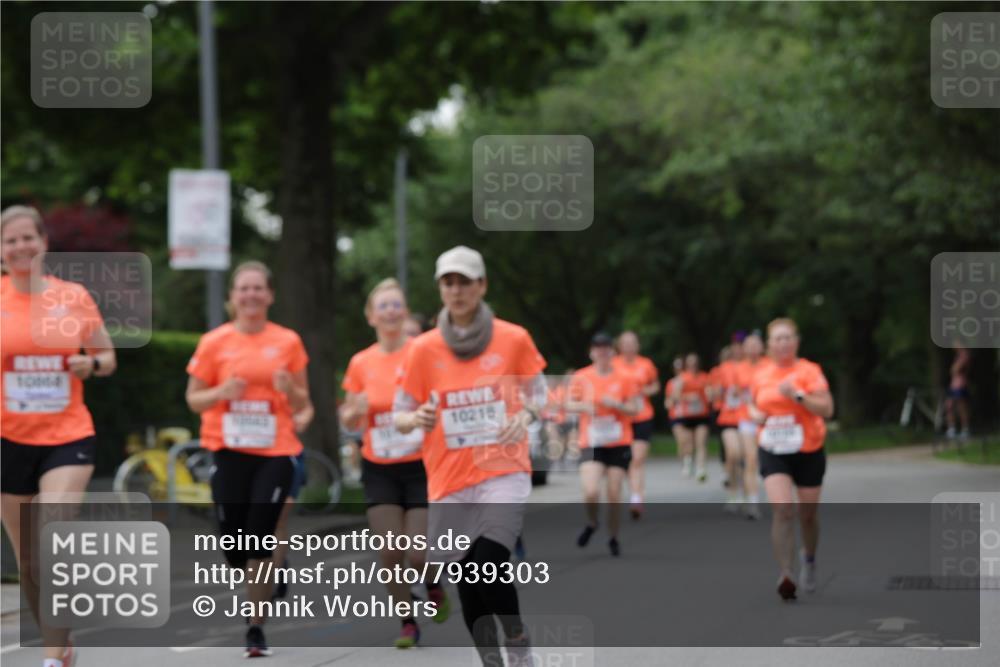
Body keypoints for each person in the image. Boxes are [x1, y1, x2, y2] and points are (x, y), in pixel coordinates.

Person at [394, 246, 546, 667]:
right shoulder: (422, 349)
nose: (456, 290)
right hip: (448, 479)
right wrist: (415, 417)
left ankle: (517, 641)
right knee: (465, 578)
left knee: (489, 560)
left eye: (464, 281)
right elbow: (399, 414)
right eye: (448, 282)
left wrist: (527, 415)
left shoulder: (512, 338)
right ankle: (491, 659)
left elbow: (541, 393)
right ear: (440, 289)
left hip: (502, 470)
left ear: (482, 286)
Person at [1, 205, 117, 667]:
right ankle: (62, 646)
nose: (21, 247)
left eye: (28, 237)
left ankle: (51, 658)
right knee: (28, 563)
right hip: (9, 439)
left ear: (44, 243)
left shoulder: (72, 297)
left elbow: (107, 356)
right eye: (10, 240)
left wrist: (91, 364)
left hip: (67, 435)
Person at [185, 260, 311, 657]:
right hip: (227, 448)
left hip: (276, 451)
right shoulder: (214, 342)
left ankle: (255, 626)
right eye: (244, 288)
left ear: (270, 295)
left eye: (259, 288)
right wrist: (222, 391)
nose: (252, 294)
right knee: (233, 545)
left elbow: (303, 402)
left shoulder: (288, 341)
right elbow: (193, 398)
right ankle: (276, 566)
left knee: (259, 533)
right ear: (231, 298)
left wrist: (289, 387)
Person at [339, 278, 449, 649]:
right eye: (382, 306)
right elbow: (349, 419)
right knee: (390, 551)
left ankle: (432, 582)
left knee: (417, 552)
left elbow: (444, 395)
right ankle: (407, 622)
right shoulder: (360, 362)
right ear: (370, 317)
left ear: (405, 313)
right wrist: (354, 411)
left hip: (421, 462)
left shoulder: (423, 352)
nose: (389, 311)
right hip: (379, 463)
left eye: (395, 305)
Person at [749, 318, 834, 601]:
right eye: (777, 338)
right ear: (770, 345)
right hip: (773, 448)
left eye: (788, 338)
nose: (783, 343)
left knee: (807, 515)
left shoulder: (809, 371)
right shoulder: (760, 373)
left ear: (796, 342)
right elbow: (752, 404)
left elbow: (827, 408)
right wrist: (754, 414)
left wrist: (797, 395)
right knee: (783, 509)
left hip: (808, 447)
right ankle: (786, 573)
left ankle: (808, 558)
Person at [569, 333, 641, 555]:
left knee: (613, 492)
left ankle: (613, 536)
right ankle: (592, 523)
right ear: (592, 352)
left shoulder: (626, 377)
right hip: (591, 441)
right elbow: (568, 403)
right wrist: (585, 407)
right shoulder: (581, 376)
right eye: (598, 348)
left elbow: (635, 408)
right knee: (590, 490)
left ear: (612, 352)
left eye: (606, 348)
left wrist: (617, 405)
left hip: (618, 441)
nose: (602, 352)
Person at [612, 331, 659, 520]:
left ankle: (636, 498)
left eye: (633, 342)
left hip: (642, 416)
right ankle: (633, 492)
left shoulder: (645, 364)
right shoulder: (614, 364)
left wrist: (645, 390)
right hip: (620, 420)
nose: (629, 346)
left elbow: (655, 385)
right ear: (620, 346)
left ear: (637, 345)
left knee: (637, 459)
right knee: (625, 462)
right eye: (626, 343)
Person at [734, 333, 768, 519]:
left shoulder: (769, 365)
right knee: (751, 459)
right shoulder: (739, 368)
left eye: (756, 344)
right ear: (744, 348)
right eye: (749, 345)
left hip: (768, 419)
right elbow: (740, 395)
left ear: (762, 347)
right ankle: (753, 503)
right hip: (746, 418)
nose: (753, 348)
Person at [671, 353, 712, 482]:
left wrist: (709, 394)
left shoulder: (705, 377)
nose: (693, 365)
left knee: (701, 442)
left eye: (695, 363)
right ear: (686, 364)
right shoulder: (682, 378)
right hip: (687, 415)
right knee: (687, 443)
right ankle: (688, 461)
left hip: (701, 414)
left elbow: (710, 395)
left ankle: (701, 469)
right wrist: (688, 397)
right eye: (690, 363)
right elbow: (675, 397)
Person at [714, 344, 745, 512]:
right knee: (733, 453)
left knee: (743, 458)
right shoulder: (723, 369)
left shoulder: (753, 367)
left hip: (747, 417)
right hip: (728, 416)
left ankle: (740, 491)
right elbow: (715, 392)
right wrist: (718, 391)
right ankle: (732, 489)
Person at [663, 356, 685, 473]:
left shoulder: (689, 380)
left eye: (681, 367)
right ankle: (684, 463)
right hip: (676, 415)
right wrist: (672, 399)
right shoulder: (671, 383)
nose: (679, 370)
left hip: (688, 415)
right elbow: (668, 402)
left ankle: (689, 460)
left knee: (689, 442)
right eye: (677, 367)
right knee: (681, 440)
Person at [945, 343, 971, 439]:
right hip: (953, 385)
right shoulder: (958, 356)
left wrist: (954, 368)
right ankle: (952, 428)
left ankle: (965, 429)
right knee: (949, 405)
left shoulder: (965, 355)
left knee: (961, 407)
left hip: (960, 384)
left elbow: (955, 369)